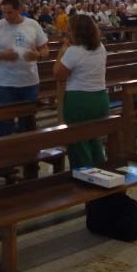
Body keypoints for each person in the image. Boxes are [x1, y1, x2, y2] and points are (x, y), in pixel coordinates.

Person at [0, 0, 47, 138]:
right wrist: (2, 55)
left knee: (27, 122)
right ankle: (6, 150)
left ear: (19, 10)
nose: (6, 16)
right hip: (4, 83)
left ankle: (26, 150)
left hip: (29, 81)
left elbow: (44, 49)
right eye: (4, 12)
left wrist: (38, 55)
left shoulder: (33, 25)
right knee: (5, 121)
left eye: (10, 12)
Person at [55, 17, 109, 169]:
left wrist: (62, 51)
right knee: (94, 138)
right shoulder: (100, 47)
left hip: (80, 100)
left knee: (78, 143)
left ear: (75, 32)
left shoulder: (74, 51)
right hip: (100, 97)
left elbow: (59, 75)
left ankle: (83, 178)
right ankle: (100, 172)